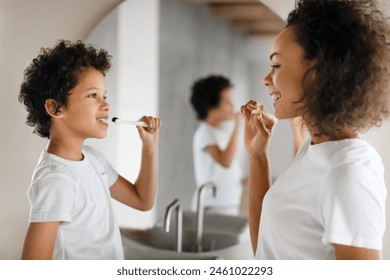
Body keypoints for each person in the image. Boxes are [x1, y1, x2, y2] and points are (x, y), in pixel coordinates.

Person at [241, 0, 389, 260]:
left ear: (320, 73)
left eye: (276, 65)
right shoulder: (318, 147)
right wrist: (257, 156)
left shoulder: (350, 173)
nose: (266, 78)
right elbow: (267, 254)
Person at [18, 41, 160, 260]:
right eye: (93, 95)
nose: (106, 105)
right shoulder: (55, 180)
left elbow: (142, 201)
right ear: (56, 108)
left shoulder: (94, 160)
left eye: (105, 96)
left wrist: (149, 146)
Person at [190, 75, 243, 216]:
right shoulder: (204, 133)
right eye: (227, 101)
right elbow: (225, 161)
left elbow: (223, 171)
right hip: (212, 209)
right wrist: (238, 125)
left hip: (228, 206)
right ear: (210, 106)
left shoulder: (220, 134)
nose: (232, 106)